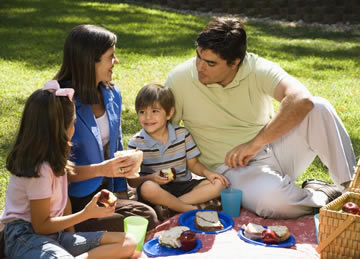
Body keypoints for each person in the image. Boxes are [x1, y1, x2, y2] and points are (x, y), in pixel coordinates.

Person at [165, 17, 356, 219]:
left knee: (318, 106)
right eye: (198, 57)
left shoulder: (256, 67)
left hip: (275, 149)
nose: (200, 67)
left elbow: (301, 99)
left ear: (235, 62)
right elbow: (164, 132)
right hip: (233, 169)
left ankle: (351, 189)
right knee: (274, 204)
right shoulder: (179, 79)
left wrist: (255, 144)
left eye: (211, 63)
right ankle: (321, 195)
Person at [0, 81, 139, 258]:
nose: (74, 129)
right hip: (25, 236)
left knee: (128, 242)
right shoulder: (39, 169)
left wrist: (72, 237)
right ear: (60, 130)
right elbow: (41, 225)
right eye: (72, 123)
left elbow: (63, 203)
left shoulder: (56, 158)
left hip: (55, 236)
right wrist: (85, 214)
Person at [54, 24, 158, 231]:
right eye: (111, 56)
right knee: (139, 222)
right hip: (70, 200)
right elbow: (54, 169)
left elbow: (115, 145)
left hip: (103, 192)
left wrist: (121, 193)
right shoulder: (60, 101)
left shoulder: (112, 94)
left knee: (146, 215)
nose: (116, 61)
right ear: (90, 60)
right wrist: (102, 169)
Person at [127, 84, 230, 220]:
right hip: (157, 190)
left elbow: (193, 165)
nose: (147, 117)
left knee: (219, 184)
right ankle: (191, 209)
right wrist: (151, 178)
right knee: (147, 188)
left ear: (169, 113)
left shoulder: (182, 134)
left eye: (155, 111)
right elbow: (132, 182)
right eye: (142, 112)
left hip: (183, 186)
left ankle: (171, 207)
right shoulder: (136, 143)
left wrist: (208, 173)